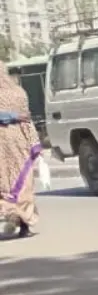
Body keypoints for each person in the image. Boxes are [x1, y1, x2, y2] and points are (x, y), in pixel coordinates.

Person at [0, 68, 42, 239]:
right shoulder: (20, 93)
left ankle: (10, 213)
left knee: (4, 179)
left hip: (2, 142)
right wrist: (34, 142)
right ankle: (24, 221)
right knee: (23, 180)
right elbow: (27, 118)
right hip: (19, 139)